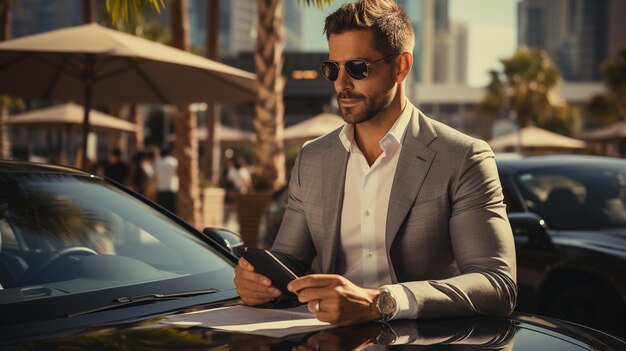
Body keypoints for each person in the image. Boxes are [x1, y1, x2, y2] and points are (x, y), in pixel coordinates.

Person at [234, 0, 516, 326]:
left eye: (357, 68)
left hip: (423, 342)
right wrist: (260, 283)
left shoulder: (463, 158)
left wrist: (381, 302)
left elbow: (497, 284)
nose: (341, 84)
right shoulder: (312, 158)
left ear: (401, 67)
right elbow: (289, 260)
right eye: (332, 69)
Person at [155, 146, 179, 214]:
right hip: (171, 188)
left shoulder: (157, 161)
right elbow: (175, 174)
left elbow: (155, 175)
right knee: (171, 212)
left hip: (160, 189)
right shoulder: (173, 161)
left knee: (161, 212)